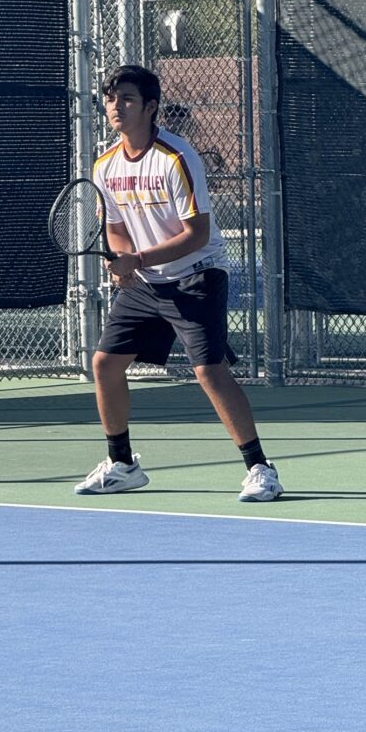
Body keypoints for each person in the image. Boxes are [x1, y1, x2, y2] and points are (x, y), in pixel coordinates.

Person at [75, 65, 283, 502]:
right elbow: (115, 227)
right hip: (146, 282)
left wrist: (138, 259)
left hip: (197, 274)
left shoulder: (176, 157)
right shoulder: (106, 165)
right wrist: (126, 263)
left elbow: (197, 234)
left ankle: (261, 469)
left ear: (150, 107)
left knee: (209, 370)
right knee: (105, 364)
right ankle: (122, 464)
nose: (115, 106)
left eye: (127, 98)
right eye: (110, 99)